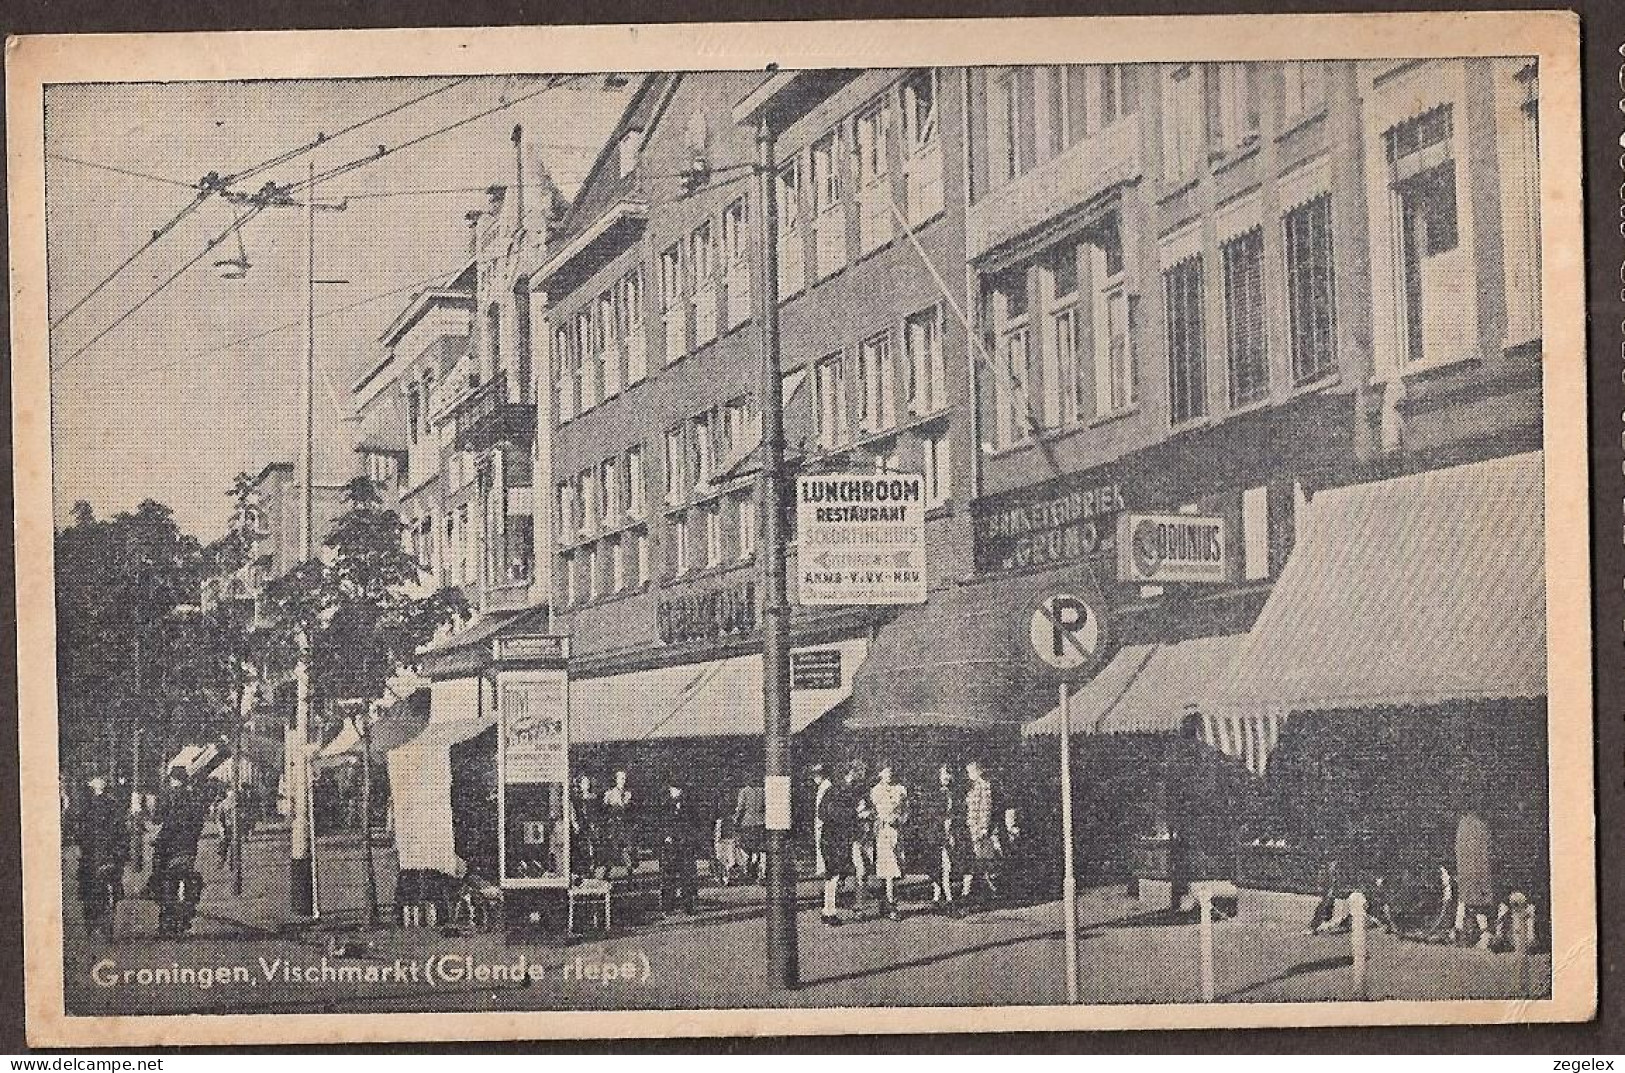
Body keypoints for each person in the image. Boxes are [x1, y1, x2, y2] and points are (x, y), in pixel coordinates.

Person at [151, 767, 215, 937]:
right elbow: (200, 821)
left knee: (162, 879)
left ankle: (166, 919)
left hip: (168, 845)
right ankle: (187, 913)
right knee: (187, 876)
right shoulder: (193, 797)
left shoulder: (166, 795)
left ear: (172, 779)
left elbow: (157, 818)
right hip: (188, 846)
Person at [72, 775, 129, 938]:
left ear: (93, 789)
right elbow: (122, 831)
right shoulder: (114, 805)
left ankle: (93, 923)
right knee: (111, 884)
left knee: (89, 888)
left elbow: (80, 831)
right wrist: (121, 853)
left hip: (92, 855)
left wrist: (80, 847)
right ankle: (107, 922)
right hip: (111, 854)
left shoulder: (86, 806)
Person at [918, 763, 965, 915]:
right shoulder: (933, 794)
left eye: (949, 774)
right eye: (944, 774)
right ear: (937, 775)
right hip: (936, 836)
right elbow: (930, 816)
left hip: (948, 834)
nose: (947, 777)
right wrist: (944, 826)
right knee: (943, 867)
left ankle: (938, 901)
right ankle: (948, 902)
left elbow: (956, 814)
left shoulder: (954, 793)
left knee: (946, 868)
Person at [812, 764, 853, 925]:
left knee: (832, 876)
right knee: (834, 876)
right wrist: (853, 814)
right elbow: (828, 813)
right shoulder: (837, 792)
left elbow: (821, 813)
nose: (851, 780)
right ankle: (830, 911)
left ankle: (828, 909)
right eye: (849, 777)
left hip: (828, 836)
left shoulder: (829, 791)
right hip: (835, 838)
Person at [869, 760, 910, 920]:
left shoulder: (901, 789)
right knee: (889, 870)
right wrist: (881, 820)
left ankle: (885, 902)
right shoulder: (875, 791)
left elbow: (907, 810)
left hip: (897, 833)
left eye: (890, 771)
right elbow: (872, 811)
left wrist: (900, 819)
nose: (888, 774)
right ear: (879, 774)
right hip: (883, 832)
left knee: (896, 870)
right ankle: (892, 905)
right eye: (885, 772)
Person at [655, 782, 700, 914]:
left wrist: (690, 837)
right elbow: (658, 823)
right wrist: (665, 836)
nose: (678, 792)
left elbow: (696, 822)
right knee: (668, 876)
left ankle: (689, 906)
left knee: (688, 875)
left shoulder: (689, 804)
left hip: (685, 844)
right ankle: (667, 906)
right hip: (669, 845)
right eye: (676, 790)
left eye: (680, 790)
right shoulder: (663, 804)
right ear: (670, 790)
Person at [963, 759, 1001, 906]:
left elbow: (986, 809)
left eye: (971, 771)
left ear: (978, 771)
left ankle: (968, 893)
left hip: (978, 830)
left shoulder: (985, 787)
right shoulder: (972, 787)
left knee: (976, 861)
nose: (969, 774)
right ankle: (990, 890)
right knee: (977, 861)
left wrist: (983, 829)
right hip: (971, 828)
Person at [1455, 811, 1495, 948]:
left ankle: (1482, 934)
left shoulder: (1468, 824)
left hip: (1472, 873)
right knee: (1468, 900)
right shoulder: (1478, 825)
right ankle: (1460, 930)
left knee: (1472, 900)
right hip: (1474, 872)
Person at [845, 760, 875, 915]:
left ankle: (862, 900)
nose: (862, 774)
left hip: (868, 836)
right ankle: (858, 905)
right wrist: (859, 814)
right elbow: (846, 813)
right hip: (855, 837)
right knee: (861, 870)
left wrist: (870, 814)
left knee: (867, 871)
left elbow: (874, 810)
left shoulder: (866, 791)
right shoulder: (849, 791)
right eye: (860, 771)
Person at [600, 769, 635, 877]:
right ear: (615, 780)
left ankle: (630, 871)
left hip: (624, 825)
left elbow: (632, 810)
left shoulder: (629, 794)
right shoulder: (609, 793)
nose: (622, 781)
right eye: (620, 778)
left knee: (625, 848)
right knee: (612, 848)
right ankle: (607, 870)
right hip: (613, 825)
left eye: (624, 778)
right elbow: (603, 810)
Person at [733, 780, 767, 885]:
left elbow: (740, 808)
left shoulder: (744, 791)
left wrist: (736, 821)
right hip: (761, 823)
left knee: (747, 850)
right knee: (760, 849)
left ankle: (747, 872)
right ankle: (761, 874)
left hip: (747, 823)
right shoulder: (763, 791)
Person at [569, 774, 599, 880]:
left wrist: (594, 824)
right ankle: (583, 871)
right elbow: (573, 811)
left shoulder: (593, 797)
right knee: (582, 848)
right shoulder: (577, 798)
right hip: (581, 826)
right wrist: (575, 823)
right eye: (584, 783)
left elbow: (596, 813)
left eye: (587, 783)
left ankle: (592, 869)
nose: (586, 785)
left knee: (592, 848)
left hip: (591, 826)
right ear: (580, 785)